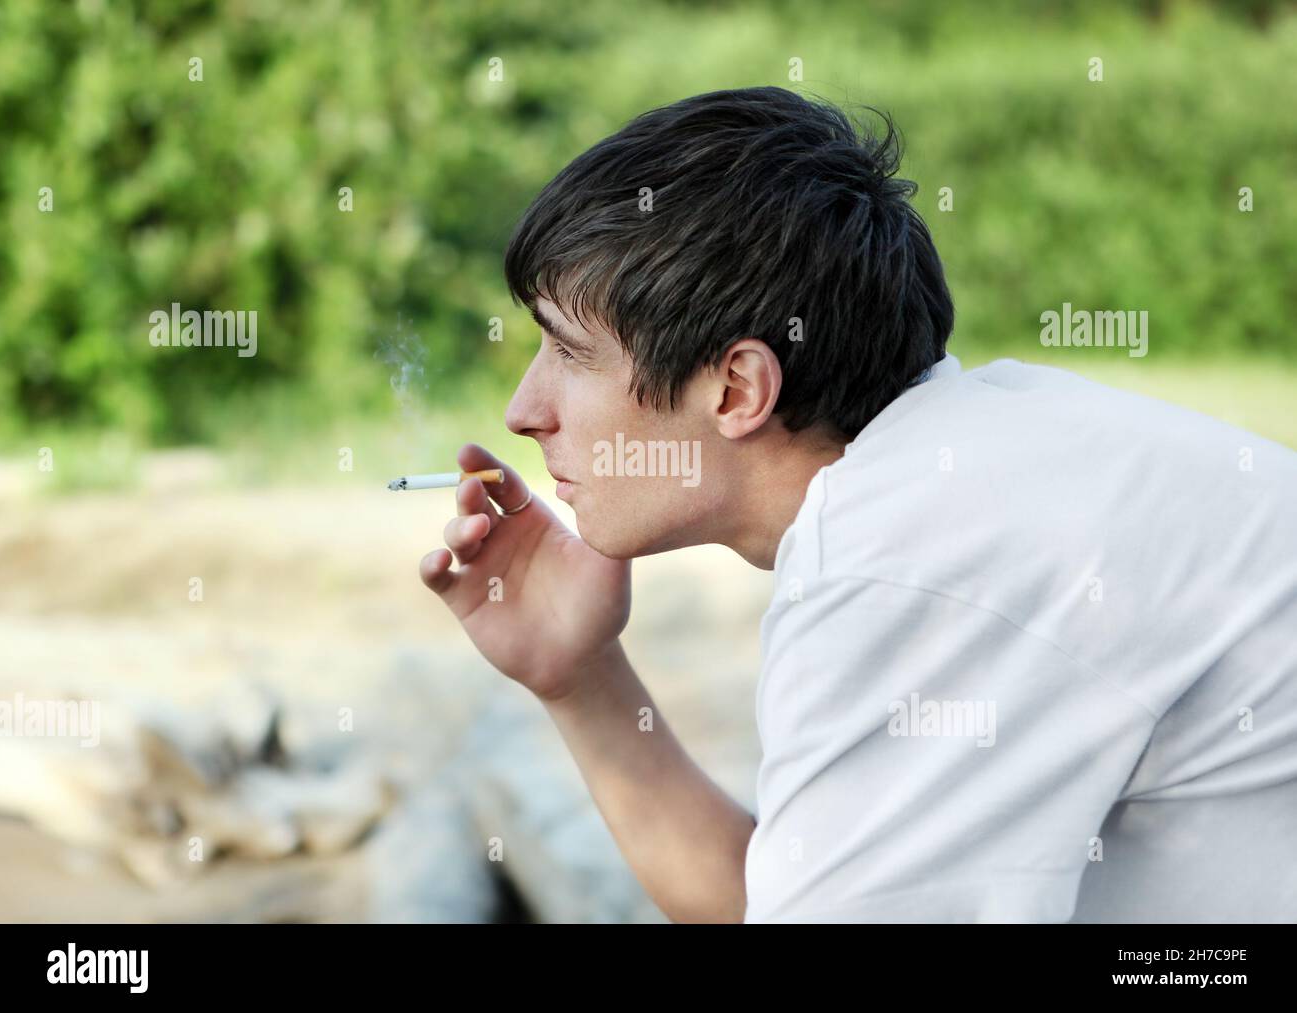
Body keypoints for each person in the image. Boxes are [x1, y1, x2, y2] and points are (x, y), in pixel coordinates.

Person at [418, 86, 1297, 923]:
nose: (524, 410)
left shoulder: (913, 561)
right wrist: (578, 676)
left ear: (736, 390)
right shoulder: (965, 465)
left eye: (569, 353)